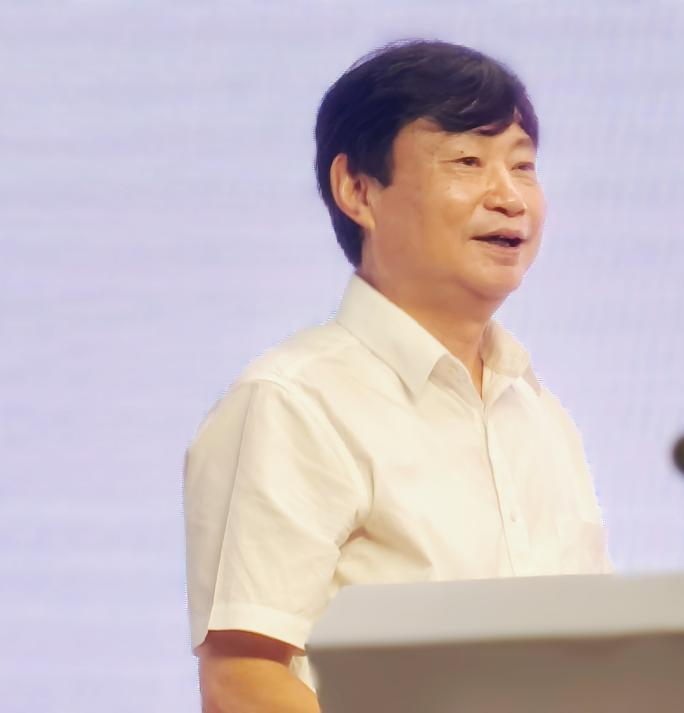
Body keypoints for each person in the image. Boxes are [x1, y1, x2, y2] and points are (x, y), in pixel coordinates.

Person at [183, 39, 612, 712]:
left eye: (523, 166)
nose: (509, 197)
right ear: (358, 190)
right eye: (467, 161)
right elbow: (242, 680)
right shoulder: (295, 403)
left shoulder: (538, 414)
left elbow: (599, 659)